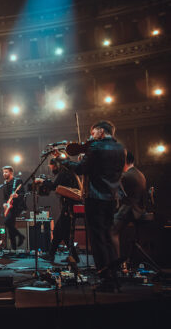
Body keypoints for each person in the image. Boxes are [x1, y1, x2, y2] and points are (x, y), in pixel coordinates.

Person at [58, 120, 125, 291]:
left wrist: (62, 160)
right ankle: (114, 275)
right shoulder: (120, 149)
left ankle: (106, 279)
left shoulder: (95, 147)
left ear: (101, 131)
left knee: (97, 239)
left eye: (93, 132)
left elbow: (80, 169)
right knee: (108, 237)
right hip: (111, 198)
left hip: (95, 198)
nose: (91, 136)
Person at [37, 158, 81, 263]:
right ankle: (56, 255)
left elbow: (54, 186)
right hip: (69, 206)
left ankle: (54, 255)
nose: (51, 168)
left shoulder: (64, 173)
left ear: (56, 165)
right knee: (60, 232)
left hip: (69, 207)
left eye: (51, 166)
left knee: (61, 231)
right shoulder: (68, 173)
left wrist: (42, 181)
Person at [111, 151, 147, 260]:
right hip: (138, 209)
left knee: (111, 231)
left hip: (130, 209)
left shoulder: (126, 176)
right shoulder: (139, 173)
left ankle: (115, 263)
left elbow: (116, 195)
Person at [1, 166, 26, 251]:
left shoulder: (17, 181)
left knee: (7, 222)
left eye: (6, 172)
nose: (4, 174)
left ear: (11, 172)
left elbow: (23, 193)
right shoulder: (5, 183)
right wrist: (4, 203)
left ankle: (20, 236)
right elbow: (5, 197)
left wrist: (17, 195)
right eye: (3, 172)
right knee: (10, 226)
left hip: (17, 206)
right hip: (9, 207)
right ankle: (14, 248)